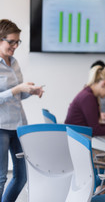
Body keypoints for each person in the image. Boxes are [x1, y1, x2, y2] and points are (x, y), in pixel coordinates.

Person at [0, 19, 44, 201]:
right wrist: (18, 89)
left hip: (19, 126)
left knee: (22, 176)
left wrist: (30, 92)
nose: (15, 46)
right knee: (1, 178)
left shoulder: (15, 63)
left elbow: (17, 96)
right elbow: (11, 92)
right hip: (1, 127)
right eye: (11, 42)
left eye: (18, 42)